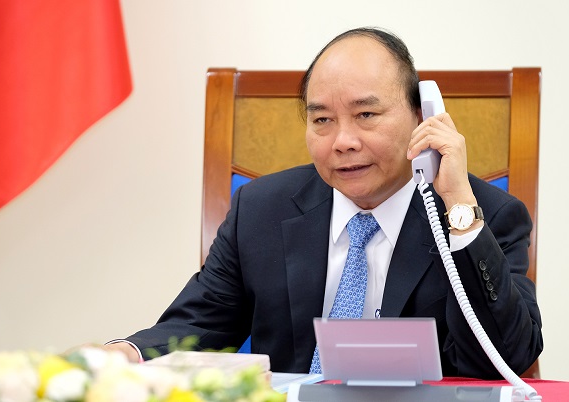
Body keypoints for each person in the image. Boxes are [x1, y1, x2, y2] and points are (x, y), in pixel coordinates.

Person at [104, 27, 542, 379]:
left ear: (421, 117)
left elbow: (505, 359)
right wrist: (122, 353)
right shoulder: (260, 210)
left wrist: (460, 210)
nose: (343, 141)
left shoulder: (484, 217)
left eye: (366, 115)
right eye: (322, 120)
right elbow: (199, 324)